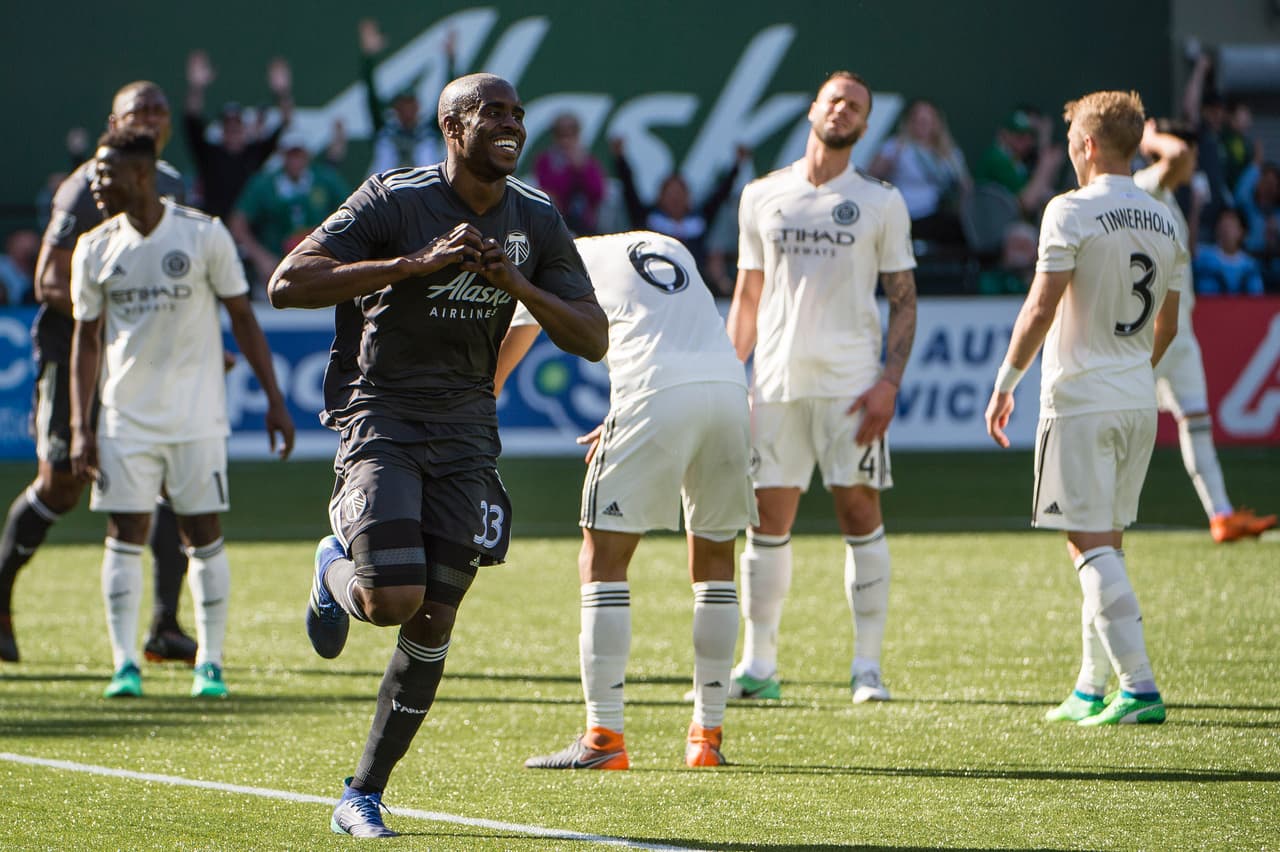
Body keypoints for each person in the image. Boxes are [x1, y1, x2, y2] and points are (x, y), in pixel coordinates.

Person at [267, 73, 607, 837]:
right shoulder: (395, 198)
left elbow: (592, 339)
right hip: (380, 414)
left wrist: (513, 279)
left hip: (466, 430)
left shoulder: (537, 218)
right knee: (387, 599)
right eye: (494, 113)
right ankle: (334, 565)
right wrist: (414, 263)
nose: (511, 124)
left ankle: (362, 793)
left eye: (519, 113)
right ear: (453, 127)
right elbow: (288, 282)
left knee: (430, 617)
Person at [496, 231, 755, 770]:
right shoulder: (658, 241)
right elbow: (666, 330)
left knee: (602, 558)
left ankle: (604, 738)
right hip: (730, 391)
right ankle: (706, 737)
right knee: (714, 562)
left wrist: (474, 402)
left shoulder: (553, 258)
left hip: (653, 393)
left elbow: (505, 354)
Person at [68, 127, 294, 699]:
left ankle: (210, 664)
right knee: (125, 532)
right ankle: (124, 665)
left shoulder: (203, 235)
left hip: (197, 417)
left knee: (203, 532)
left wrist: (274, 399)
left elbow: (243, 317)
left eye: (105, 174)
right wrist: (80, 423)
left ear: (141, 174)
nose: (97, 185)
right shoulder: (94, 246)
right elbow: (87, 340)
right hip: (124, 417)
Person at [985, 90, 1186, 726]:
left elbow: (1040, 308)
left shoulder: (1068, 210)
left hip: (1079, 401)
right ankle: (1088, 685)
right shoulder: (1167, 217)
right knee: (1106, 546)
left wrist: (1005, 379)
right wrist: (1130, 373)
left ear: (1088, 145)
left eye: (1072, 140)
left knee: (1088, 546)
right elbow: (1170, 327)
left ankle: (1140, 688)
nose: (1070, 150)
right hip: (1135, 401)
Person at [726, 70, 917, 704]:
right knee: (766, 523)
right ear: (814, 108)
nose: (842, 110)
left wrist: (890, 381)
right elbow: (748, 296)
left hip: (852, 388)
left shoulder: (882, 201)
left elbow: (904, 300)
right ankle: (759, 665)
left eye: (856, 105)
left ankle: (867, 668)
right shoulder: (761, 195)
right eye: (834, 99)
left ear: (865, 124)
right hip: (776, 384)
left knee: (860, 513)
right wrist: (734, 377)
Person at [0, 82, 197, 665]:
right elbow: (47, 282)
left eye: (160, 111)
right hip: (74, 352)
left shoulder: (172, 184)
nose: (153, 119)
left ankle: (165, 625)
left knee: (164, 478)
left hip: (139, 360)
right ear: (114, 121)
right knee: (61, 485)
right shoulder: (84, 187)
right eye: (140, 111)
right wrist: (121, 311)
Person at [1135, 121, 1274, 544]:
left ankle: (1221, 516)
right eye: (1192, 153)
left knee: (1196, 422)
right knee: (1122, 422)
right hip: (1150, 334)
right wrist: (1150, 138)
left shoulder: (1175, 200)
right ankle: (1097, 512)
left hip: (1181, 333)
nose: (1193, 161)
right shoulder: (1146, 185)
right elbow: (1173, 156)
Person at [611, 138, 750, 292]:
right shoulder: (647, 218)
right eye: (670, 193)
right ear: (660, 196)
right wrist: (620, 158)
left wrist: (737, 165)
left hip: (694, 284)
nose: (675, 199)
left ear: (688, 197)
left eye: (680, 193)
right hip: (653, 284)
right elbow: (630, 190)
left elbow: (720, 194)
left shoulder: (699, 220)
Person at [229, 133, 349, 293]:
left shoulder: (325, 180)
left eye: (299, 155)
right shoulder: (264, 184)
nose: (295, 161)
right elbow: (237, 223)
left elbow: (351, 213)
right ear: (282, 156)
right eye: (291, 155)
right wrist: (261, 257)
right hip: (276, 269)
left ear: (307, 155)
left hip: (320, 266)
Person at [184, 50, 295, 221]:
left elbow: (285, 122)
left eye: (237, 125)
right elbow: (191, 117)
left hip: (248, 232)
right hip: (212, 228)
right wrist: (196, 87)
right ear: (222, 129)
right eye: (228, 125)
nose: (233, 130)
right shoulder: (209, 153)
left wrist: (282, 93)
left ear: (243, 127)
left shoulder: (255, 153)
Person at [868, 98, 970, 245]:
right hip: (905, 214)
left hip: (939, 214)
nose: (923, 125)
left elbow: (966, 186)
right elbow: (871, 176)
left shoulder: (950, 154)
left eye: (928, 120)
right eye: (918, 120)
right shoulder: (896, 147)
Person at [359, 18, 451, 175]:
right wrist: (368, 59)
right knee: (385, 147)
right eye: (403, 105)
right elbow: (371, 98)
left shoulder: (428, 130)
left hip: (424, 194)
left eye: (410, 104)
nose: (407, 110)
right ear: (395, 108)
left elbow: (448, 101)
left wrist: (450, 61)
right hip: (388, 193)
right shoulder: (384, 128)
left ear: (417, 107)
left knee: (428, 150)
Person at [973, 108, 1065, 221]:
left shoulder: (1016, 159)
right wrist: (1046, 166)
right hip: (994, 225)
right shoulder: (997, 158)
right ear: (1005, 134)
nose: (1027, 142)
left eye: (1029, 136)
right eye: (1019, 137)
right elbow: (1026, 203)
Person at [533, 113, 606, 236]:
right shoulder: (545, 161)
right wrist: (570, 169)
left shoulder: (588, 162)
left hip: (586, 224)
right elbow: (551, 194)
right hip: (557, 223)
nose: (566, 141)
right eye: (561, 135)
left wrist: (582, 169)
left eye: (571, 135)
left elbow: (597, 193)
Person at [1195, 208, 1266, 296]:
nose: (1226, 230)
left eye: (1231, 226)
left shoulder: (1250, 266)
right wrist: (1196, 208)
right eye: (1223, 224)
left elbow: (1257, 299)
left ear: (1242, 232)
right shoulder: (1203, 255)